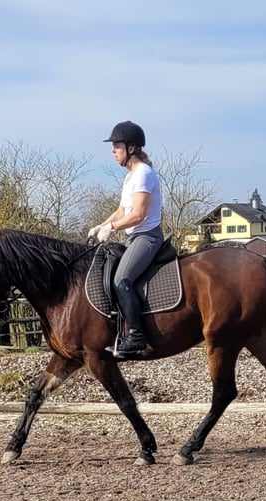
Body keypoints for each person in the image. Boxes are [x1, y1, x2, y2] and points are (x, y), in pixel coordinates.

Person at [88, 121, 163, 357]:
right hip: (134, 237)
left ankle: (137, 337)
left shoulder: (144, 174)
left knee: (122, 279)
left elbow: (138, 214)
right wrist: (102, 225)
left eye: (117, 145)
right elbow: (122, 210)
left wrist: (112, 227)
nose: (113, 150)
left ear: (131, 148)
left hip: (147, 237)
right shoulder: (130, 177)